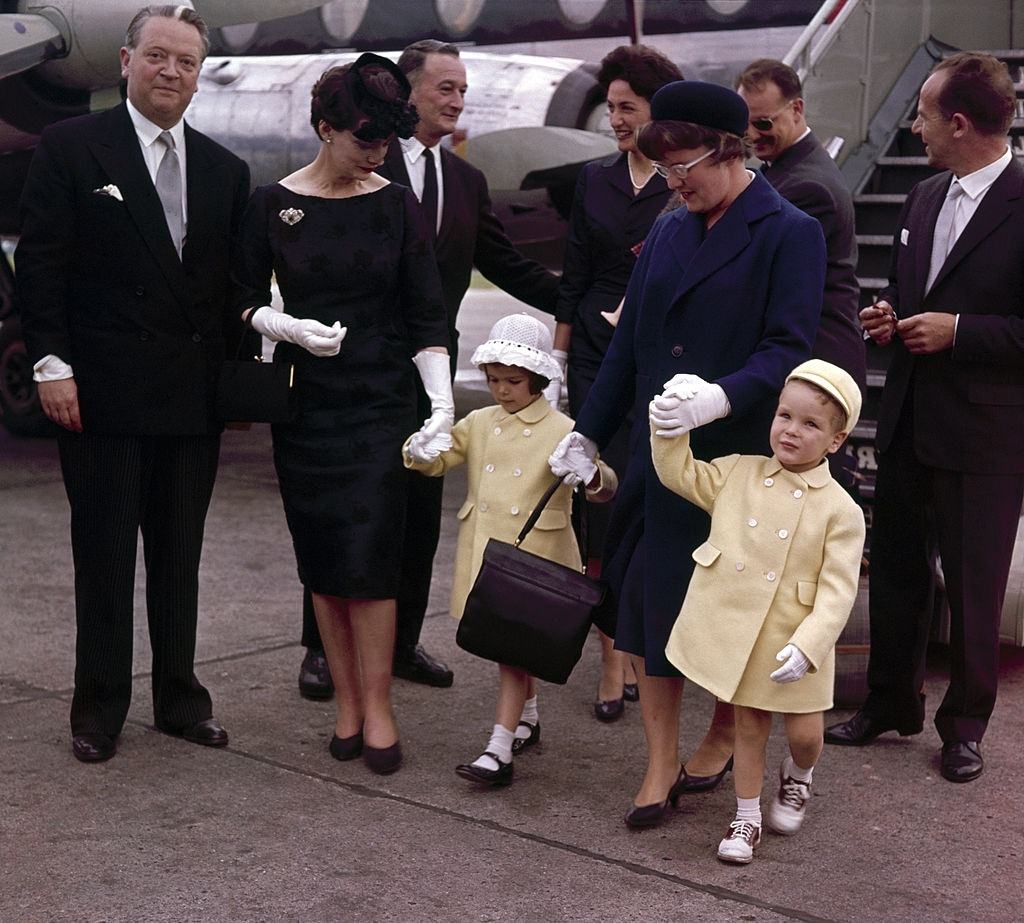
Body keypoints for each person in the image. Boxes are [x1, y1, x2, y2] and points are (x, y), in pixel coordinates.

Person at [548, 80, 825, 828]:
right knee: (649, 606)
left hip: (736, 460)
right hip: (660, 455)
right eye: (665, 172)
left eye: (685, 169)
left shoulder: (789, 231)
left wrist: (722, 396)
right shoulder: (671, 228)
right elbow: (630, 349)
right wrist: (586, 430)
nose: (675, 184)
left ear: (730, 151)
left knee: (731, 615)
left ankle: (724, 730)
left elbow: (789, 346)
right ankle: (660, 759)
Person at [15, 5, 249, 763]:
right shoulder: (72, 148)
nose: (170, 72)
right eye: (157, 56)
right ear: (125, 61)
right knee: (107, 556)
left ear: (200, 74)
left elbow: (228, 292)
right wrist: (52, 365)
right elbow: (42, 268)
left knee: (180, 557)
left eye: (186, 61)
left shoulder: (225, 169)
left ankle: (180, 699)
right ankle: (99, 708)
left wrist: (248, 379)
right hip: (101, 396)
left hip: (190, 399)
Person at [296, 38, 561, 698]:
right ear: (404, 94)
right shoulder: (360, 168)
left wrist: (590, 297)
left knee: (417, 513)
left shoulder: (465, 181)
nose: (458, 100)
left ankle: (404, 640)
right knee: (345, 510)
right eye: (445, 87)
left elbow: (506, 264)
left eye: (463, 90)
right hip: (361, 373)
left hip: (428, 380)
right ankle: (321, 650)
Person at [236, 54, 451, 775]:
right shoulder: (272, 204)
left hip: (381, 405)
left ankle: (380, 707)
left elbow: (427, 313)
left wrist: (443, 401)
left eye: (387, 142)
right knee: (324, 560)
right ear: (325, 129)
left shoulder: (394, 203)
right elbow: (234, 300)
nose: (377, 154)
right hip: (307, 409)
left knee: (373, 562)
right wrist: (282, 326)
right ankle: (347, 705)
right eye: (364, 140)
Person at [824, 53, 1024, 784]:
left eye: (926, 114)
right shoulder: (921, 197)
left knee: (974, 587)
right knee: (899, 570)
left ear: (962, 123)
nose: (916, 125)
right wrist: (890, 316)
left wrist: (959, 330)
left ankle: (964, 726)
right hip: (909, 419)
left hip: (985, 436)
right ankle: (888, 702)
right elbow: (911, 292)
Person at [650, 360, 864, 864]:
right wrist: (670, 422)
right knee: (749, 726)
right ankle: (746, 818)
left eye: (811, 424)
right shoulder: (738, 471)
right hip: (745, 639)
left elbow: (838, 592)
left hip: (796, 642)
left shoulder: (842, 510)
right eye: (785, 415)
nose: (791, 430)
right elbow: (678, 473)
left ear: (836, 441)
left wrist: (810, 645)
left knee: (807, 736)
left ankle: (800, 775)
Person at [405, 314, 616, 785]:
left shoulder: (564, 427)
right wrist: (421, 450)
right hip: (490, 553)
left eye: (513, 381)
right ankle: (529, 716)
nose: (501, 390)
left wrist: (591, 473)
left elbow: (604, 484)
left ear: (538, 378)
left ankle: (499, 749)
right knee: (513, 645)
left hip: (538, 558)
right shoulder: (480, 421)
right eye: (494, 379)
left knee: (514, 652)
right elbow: (444, 457)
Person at [552, 43, 682, 723]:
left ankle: (640, 642)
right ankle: (609, 653)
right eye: (612, 108)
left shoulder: (683, 183)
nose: (617, 120)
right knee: (598, 513)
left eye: (628, 108)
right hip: (595, 358)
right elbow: (572, 280)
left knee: (647, 505)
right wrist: (557, 369)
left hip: (659, 359)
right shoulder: (594, 180)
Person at [735, 59, 866, 405]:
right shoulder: (788, 170)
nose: (751, 135)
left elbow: (759, 277)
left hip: (815, 365)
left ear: (797, 109)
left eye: (763, 122)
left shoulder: (807, 187)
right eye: (743, 124)